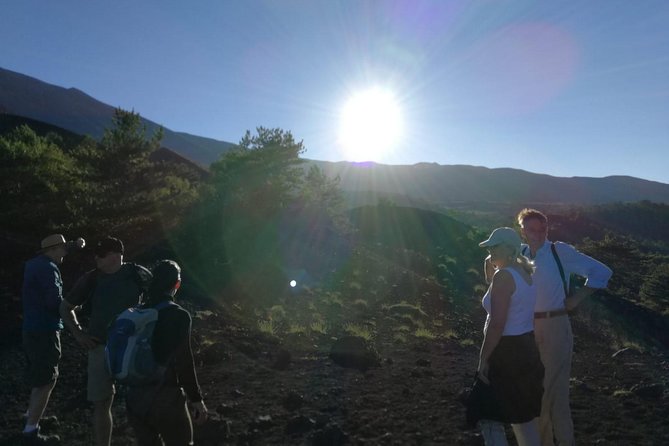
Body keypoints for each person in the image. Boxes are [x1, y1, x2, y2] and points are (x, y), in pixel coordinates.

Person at [515, 208, 612, 446]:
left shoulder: (559, 252)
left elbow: (602, 272)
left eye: (542, 228)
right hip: (526, 329)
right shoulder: (521, 254)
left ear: (547, 229)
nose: (538, 233)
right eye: (531, 229)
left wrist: (576, 299)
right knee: (544, 392)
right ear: (523, 231)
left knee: (548, 391)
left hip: (555, 325)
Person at [59, 236, 151, 446]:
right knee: (102, 402)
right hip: (100, 347)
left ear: (116, 255)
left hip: (135, 348)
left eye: (101, 254)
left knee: (144, 400)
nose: (96, 258)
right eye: (96, 254)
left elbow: (162, 299)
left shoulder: (138, 275)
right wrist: (79, 334)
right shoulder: (91, 279)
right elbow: (65, 307)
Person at [125, 260, 208, 445]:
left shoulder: (138, 311)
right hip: (165, 397)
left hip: (134, 397)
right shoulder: (178, 315)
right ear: (177, 284)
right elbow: (184, 361)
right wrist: (196, 399)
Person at [476, 227, 544, 446]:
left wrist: (483, 359)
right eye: (489, 247)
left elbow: (497, 324)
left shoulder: (504, 276)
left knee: (489, 416)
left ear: (509, 249)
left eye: (495, 246)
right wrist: (492, 272)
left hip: (505, 352)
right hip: (525, 348)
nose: (491, 251)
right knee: (522, 417)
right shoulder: (524, 273)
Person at [21, 234, 81, 445]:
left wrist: (76, 244)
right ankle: (30, 431)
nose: (65, 252)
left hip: (30, 328)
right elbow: (53, 302)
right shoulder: (49, 269)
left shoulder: (33, 265)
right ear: (54, 249)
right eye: (63, 248)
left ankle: (31, 415)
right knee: (48, 379)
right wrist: (72, 307)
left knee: (38, 376)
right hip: (45, 330)